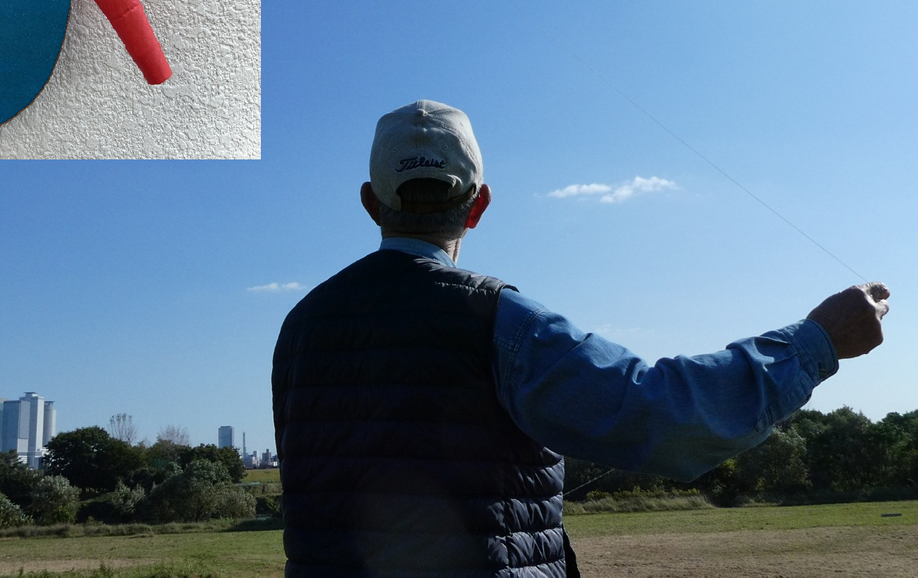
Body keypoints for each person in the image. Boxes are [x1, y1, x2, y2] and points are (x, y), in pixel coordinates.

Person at [272, 100, 890, 578]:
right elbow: (666, 414)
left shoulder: (298, 328)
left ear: (370, 205)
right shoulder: (499, 319)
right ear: (479, 204)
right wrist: (816, 343)